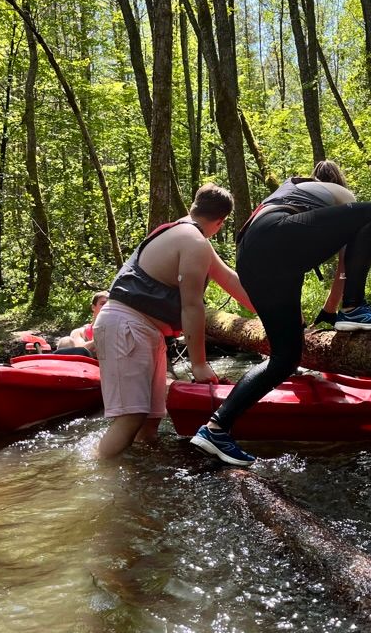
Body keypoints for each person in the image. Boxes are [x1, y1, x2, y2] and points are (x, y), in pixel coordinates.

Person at [190, 160, 371, 467]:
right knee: (370, 212)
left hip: (249, 256)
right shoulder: (341, 195)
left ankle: (215, 429)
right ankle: (356, 307)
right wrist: (344, 308)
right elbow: (345, 266)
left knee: (285, 357)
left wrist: (327, 313)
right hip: (272, 239)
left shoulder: (296, 195)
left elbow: (296, 253)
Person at [93, 183, 254, 459]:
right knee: (131, 417)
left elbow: (229, 280)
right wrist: (199, 364)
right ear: (221, 222)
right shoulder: (193, 241)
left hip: (142, 330)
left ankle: (141, 475)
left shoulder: (187, 235)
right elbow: (192, 306)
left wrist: (274, 311)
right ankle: (95, 474)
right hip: (127, 326)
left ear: (194, 207)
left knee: (150, 419)